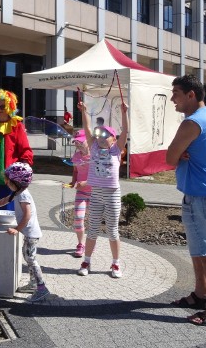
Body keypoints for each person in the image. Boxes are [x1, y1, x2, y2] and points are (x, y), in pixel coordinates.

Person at [166, 74, 206, 326]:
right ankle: (200, 295)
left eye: (176, 93)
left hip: (202, 198)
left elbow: (170, 158)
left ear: (191, 95)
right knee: (199, 250)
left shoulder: (192, 123)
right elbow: (177, 155)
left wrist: (179, 153)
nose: (173, 99)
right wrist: (181, 153)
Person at [76, 99, 128, 278]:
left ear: (114, 139)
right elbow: (88, 128)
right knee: (93, 229)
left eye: (105, 135)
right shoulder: (94, 148)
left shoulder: (116, 150)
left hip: (113, 194)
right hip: (96, 194)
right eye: (99, 135)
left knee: (113, 230)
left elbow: (125, 132)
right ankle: (86, 261)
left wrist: (123, 113)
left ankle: (115, 264)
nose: (101, 138)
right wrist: (83, 111)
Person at [0, 162, 49, 303]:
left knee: (31, 259)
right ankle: (33, 283)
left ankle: (42, 288)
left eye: (8, 181)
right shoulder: (17, 192)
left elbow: (27, 214)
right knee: (28, 257)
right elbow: (5, 200)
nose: (7, 183)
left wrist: (17, 229)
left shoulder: (24, 196)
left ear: (17, 182)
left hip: (31, 233)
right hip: (29, 233)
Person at [69, 129, 92, 258]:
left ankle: (90, 244)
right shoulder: (77, 156)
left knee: (93, 221)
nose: (77, 145)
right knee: (78, 219)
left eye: (80, 142)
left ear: (88, 141)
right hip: (81, 193)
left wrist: (85, 183)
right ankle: (80, 244)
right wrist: (73, 182)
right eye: (76, 142)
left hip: (95, 193)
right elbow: (76, 172)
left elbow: (99, 176)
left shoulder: (96, 156)